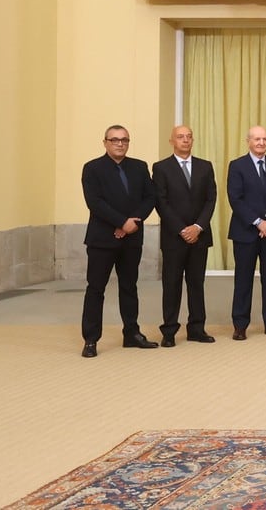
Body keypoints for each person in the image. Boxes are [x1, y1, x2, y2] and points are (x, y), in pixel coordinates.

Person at [79, 125, 158, 358]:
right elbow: (95, 202)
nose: (120, 144)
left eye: (124, 140)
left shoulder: (139, 167)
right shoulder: (92, 168)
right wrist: (121, 222)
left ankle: (131, 334)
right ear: (105, 142)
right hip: (102, 239)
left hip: (131, 238)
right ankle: (91, 340)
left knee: (129, 287)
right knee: (96, 289)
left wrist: (132, 223)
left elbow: (150, 197)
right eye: (114, 140)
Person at [152, 124, 216, 346]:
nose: (185, 140)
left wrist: (197, 227)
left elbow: (211, 199)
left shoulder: (205, 166)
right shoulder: (161, 168)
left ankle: (197, 328)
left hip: (199, 236)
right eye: (180, 137)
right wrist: (182, 229)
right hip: (174, 237)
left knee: (196, 283)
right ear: (172, 141)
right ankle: (169, 331)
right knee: (172, 284)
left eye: (189, 136)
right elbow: (162, 203)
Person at [225, 126, 266, 340]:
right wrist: (258, 222)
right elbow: (236, 199)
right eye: (257, 139)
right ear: (248, 141)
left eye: (265, 139)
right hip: (246, 232)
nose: (261, 143)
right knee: (243, 279)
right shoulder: (237, 166)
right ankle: (240, 325)